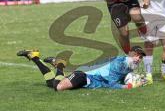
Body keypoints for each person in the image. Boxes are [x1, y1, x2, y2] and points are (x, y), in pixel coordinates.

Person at [70, 0, 150, 54]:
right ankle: (128, 54)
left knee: (136, 16)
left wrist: (146, 4)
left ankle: (144, 33)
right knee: (124, 33)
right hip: (114, 1)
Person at [17, 46, 147, 90]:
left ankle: (34, 57)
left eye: (140, 58)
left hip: (87, 82)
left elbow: (124, 77)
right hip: (83, 76)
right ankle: (60, 64)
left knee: (51, 83)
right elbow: (112, 84)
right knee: (58, 87)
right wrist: (129, 86)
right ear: (130, 54)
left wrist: (140, 79)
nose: (138, 59)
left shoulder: (130, 65)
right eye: (136, 56)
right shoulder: (118, 64)